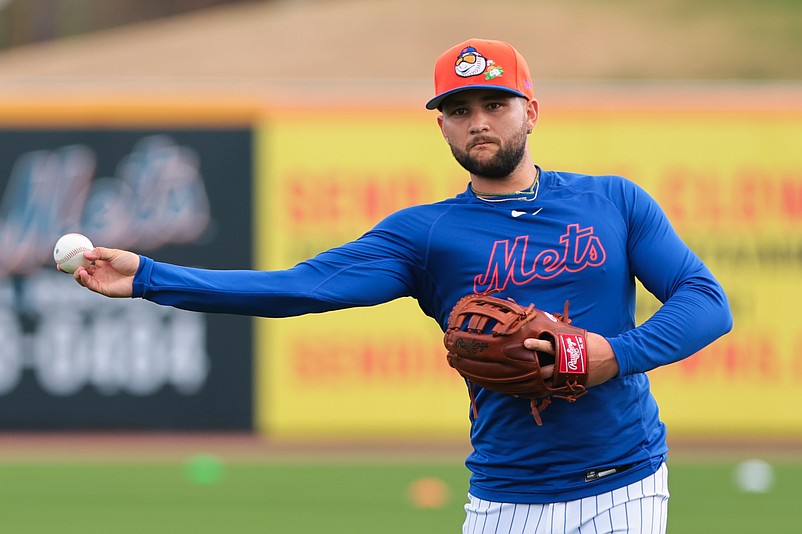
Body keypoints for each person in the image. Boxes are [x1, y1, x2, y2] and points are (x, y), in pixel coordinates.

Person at [72, 38, 732, 534]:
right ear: (440, 124)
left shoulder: (612, 202)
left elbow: (706, 302)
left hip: (627, 482)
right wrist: (154, 278)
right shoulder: (426, 235)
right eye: (460, 108)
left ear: (530, 111)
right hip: (507, 497)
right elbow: (303, 287)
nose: (479, 121)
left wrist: (606, 357)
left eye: (495, 104)